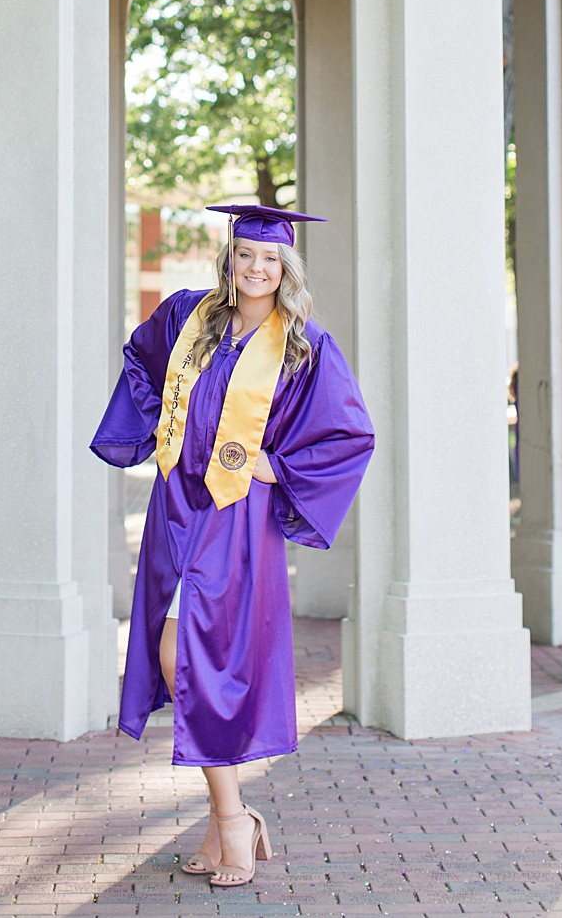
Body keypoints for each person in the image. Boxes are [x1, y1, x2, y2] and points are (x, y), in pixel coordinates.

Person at [90, 204, 372, 888]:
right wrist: (162, 426)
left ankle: (233, 818)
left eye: (269, 259)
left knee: (190, 652)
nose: (256, 268)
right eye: (246, 254)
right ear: (231, 257)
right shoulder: (191, 316)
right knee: (186, 652)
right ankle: (226, 824)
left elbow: (347, 436)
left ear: (286, 268)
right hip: (176, 506)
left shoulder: (304, 346)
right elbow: (140, 359)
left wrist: (269, 464)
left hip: (235, 516)